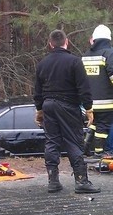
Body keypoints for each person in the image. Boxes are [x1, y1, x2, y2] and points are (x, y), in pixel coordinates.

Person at [34, 29, 100, 194]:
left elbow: (37, 91)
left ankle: (53, 182)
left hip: (48, 105)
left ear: (50, 44)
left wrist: (39, 110)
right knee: (73, 141)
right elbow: (84, 88)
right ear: (66, 42)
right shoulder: (74, 62)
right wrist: (89, 109)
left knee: (51, 142)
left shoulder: (42, 64)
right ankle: (81, 181)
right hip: (68, 106)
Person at [82, 24, 113, 157]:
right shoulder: (110, 53)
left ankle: (85, 148)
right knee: (103, 126)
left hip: (90, 100)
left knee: (94, 124)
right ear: (108, 38)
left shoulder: (86, 55)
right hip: (105, 100)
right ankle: (99, 152)